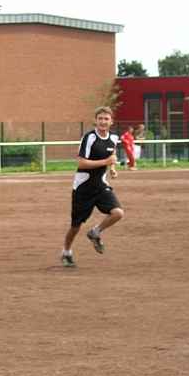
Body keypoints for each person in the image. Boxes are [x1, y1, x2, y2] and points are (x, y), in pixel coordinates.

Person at [61, 106, 125, 268]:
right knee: (76, 226)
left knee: (118, 213)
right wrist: (105, 163)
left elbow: (111, 156)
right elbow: (81, 162)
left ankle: (95, 232)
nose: (103, 121)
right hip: (83, 188)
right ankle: (66, 252)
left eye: (106, 119)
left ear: (111, 122)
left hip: (101, 185)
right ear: (95, 121)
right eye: (100, 118)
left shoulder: (114, 138)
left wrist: (112, 169)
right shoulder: (89, 138)